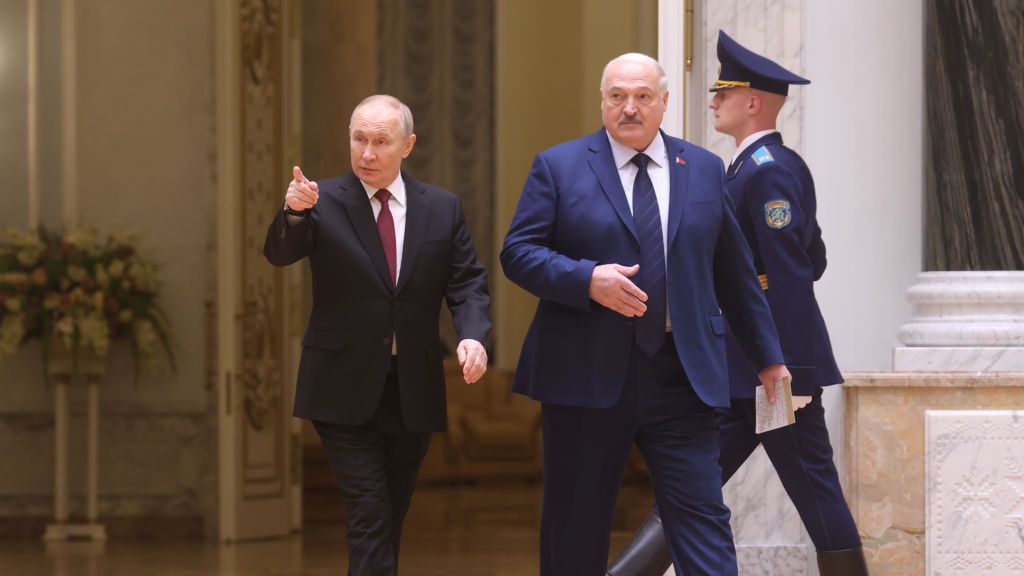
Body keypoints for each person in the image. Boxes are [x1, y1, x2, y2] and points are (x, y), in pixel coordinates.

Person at [501, 53, 790, 576]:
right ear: (602, 101)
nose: (629, 108)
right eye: (617, 96)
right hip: (584, 376)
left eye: (642, 97)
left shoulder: (703, 169)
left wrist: (769, 359)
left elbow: (735, 274)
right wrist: (587, 279)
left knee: (702, 520)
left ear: (664, 102)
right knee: (574, 527)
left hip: (681, 375)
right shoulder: (559, 166)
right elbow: (518, 253)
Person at [606, 31, 868, 576]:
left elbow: (792, 274)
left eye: (723, 93)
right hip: (751, 371)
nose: (713, 103)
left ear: (752, 103)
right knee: (699, 486)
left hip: (769, 375)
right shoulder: (754, 167)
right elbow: (811, 258)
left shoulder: (766, 169)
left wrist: (792, 369)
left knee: (789, 488)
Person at [263, 94, 491, 576]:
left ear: (407, 145)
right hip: (341, 384)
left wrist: (473, 336)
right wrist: (293, 211)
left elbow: (467, 282)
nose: (367, 153)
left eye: (381, 142)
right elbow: (280, 253)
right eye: (359, 139)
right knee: (369, 511)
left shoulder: (442, 208)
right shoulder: (322, 200)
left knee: (389, 513)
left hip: (412, 386)